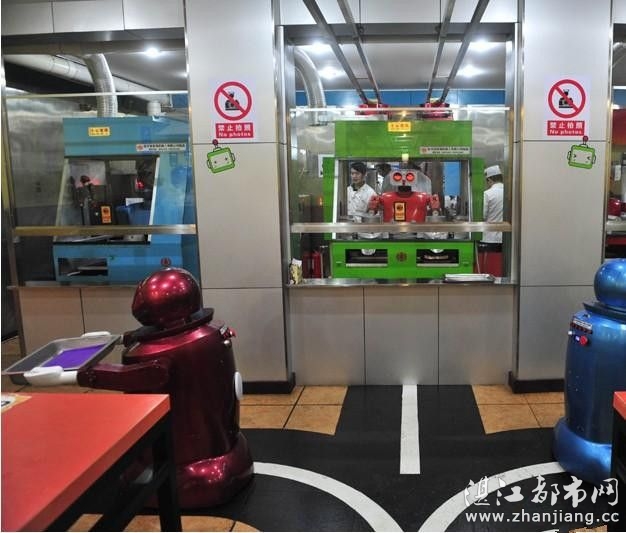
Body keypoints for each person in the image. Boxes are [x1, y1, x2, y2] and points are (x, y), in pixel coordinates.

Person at [482, 164, 504, 244]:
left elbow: (483, 216)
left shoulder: (487, 194)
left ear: (489, 180)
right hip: (505, 238)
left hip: (490, 238)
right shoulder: (509, 192)